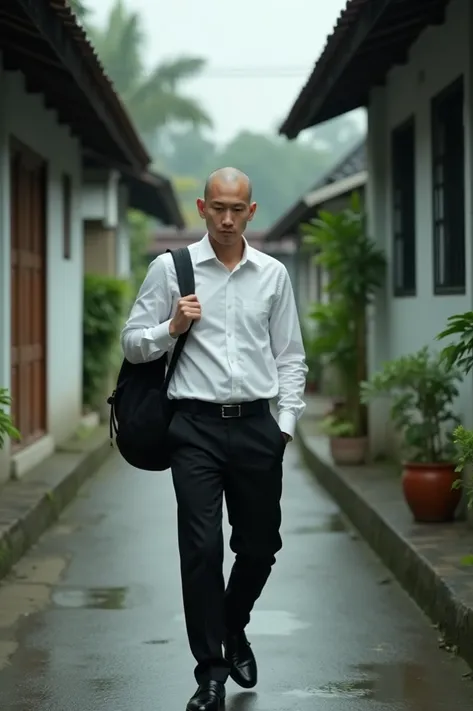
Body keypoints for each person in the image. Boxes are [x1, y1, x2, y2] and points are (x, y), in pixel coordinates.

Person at [121, 167, 307, 711]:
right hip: (193, 428)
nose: (226, 219)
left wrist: (284, 427)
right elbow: (133, 346)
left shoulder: (272, 275)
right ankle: (210, 674)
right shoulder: (170, 270)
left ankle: (234, 624)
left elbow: (290, 356)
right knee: (200, 551)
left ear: (251, 213)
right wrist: (169, 329)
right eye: (217, 208)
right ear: (202, 208)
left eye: (237, 210)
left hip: (256, 427)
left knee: (259, 547)